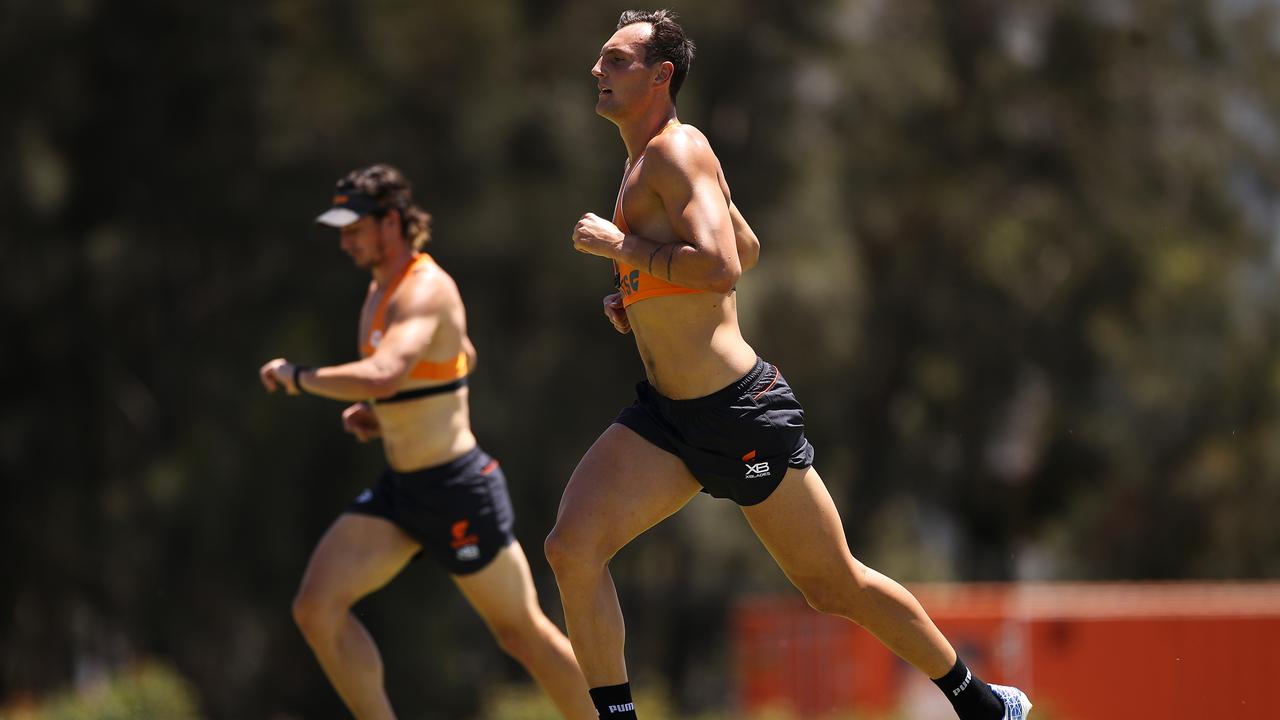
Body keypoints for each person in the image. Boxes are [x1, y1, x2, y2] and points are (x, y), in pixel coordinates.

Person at [544, 11, 1032, 720]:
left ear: (660, 77)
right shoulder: (647, 157)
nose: (598, 71)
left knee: (833, 586)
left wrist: (624, 251)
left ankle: (982, 702)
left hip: (738, 413)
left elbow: (721, 269)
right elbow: (745, 244)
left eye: (615, 60)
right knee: (571, 547)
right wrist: (641, 294)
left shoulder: (675, 153)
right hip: (667, 418)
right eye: (601, 59)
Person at [258, 164, 595, 720]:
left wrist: (299, 376)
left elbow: (387, 371)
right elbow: (459, 354)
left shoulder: (425, 287)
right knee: (316, 609)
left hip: (458, 487)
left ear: (390, 222)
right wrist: (386, 413)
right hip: (402, 491)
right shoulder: (378, 290)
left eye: (353, 228)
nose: (345, 242)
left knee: (521, 634)